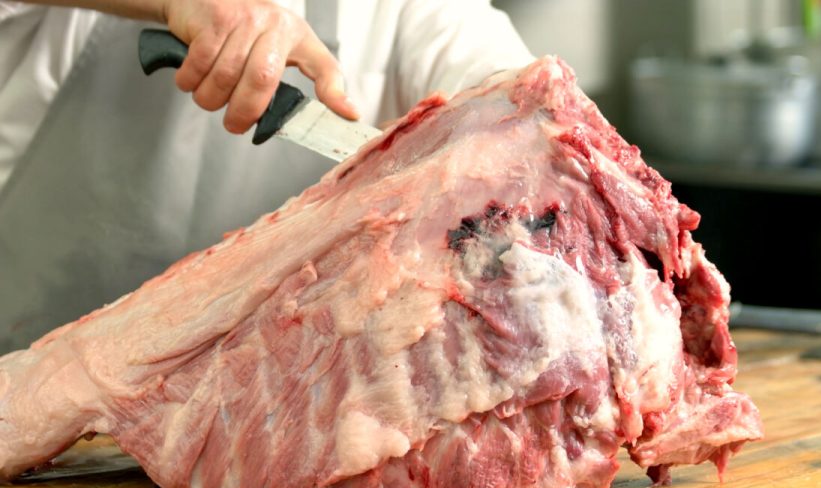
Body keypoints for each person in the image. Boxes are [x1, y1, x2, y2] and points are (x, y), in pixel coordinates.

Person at [0, 0, 534, 352]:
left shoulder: (405, 10)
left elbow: (507, 95)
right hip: (38, 388)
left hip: (273, 411)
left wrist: (523, 124)